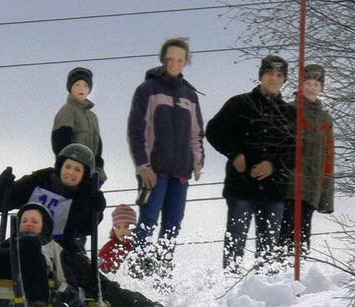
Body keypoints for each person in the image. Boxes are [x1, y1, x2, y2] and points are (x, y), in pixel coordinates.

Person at [0, 143, 169, 307]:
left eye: (77, 169)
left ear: (85, 174)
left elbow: (84, 229)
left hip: (64, 252)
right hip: (22, 245)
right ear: (59, 166)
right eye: (67, 167)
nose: (70, 173)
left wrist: (95, 210)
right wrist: (2, 188)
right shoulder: (38, 180)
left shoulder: (85, 194)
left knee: (100, 287)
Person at [206, 55, 296, 272]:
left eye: (279, 75)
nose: (273, 79)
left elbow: (297, 150)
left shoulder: (290, 114)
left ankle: (264, 291)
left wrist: (273, 165)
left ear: (284, 79)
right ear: (261, 76)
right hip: (241, 187)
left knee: (268, 247)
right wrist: (234, 153)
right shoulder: (239, 104)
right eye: (269, 73)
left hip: (274, 190)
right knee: (235, 241)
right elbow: (213, 130)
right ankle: (229, 283)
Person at [126, 37, 205, 280]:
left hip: (180, 173)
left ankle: (163, 273)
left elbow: (196, 132)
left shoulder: (190, 95)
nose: (174, 63)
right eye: (170, 58)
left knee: (172, 225)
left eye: (180, 60)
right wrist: (143, 166)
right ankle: (137, 271)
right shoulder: (147, 90)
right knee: (148, 220)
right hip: (154, 171)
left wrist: (198, 161)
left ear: (185, 62)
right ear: (163, 58)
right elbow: (136, 131)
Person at [278, 64, 335, 255]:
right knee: (285, 229)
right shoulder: (288, 111)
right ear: (301, 84)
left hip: (313, 185)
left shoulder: (325, 118)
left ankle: (300, 270)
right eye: (308, 83)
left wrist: (325, 195)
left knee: (303, 233)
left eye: (316, 84)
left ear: (321, 88)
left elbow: (328, 157)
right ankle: (278, 270)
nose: (312, 88)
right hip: (290, 184)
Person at [52, 67, 107, 184]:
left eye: (85, 86)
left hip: (90, 170)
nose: (81, 88)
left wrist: (99, 164)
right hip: (74, 170)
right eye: (77, 85)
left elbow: (98, 143)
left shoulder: (92, 116)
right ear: (70, 88)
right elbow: (60, 139)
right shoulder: (67, 110)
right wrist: (69, 162)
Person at [98, 204, 137, 274]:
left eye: (127, 226)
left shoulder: (137, 247)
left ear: (133, 228)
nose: (122, 231)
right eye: (118, 227)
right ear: (113, 229)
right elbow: (98, 268)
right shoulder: (107, 250)